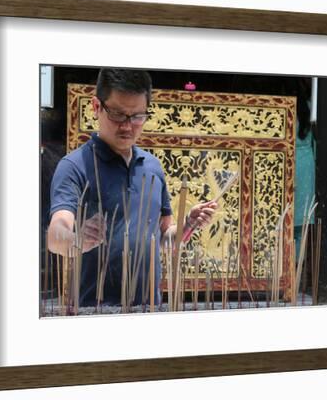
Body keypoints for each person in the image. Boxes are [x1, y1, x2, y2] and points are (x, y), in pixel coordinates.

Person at [47, 68, 217, 307]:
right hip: (94, 310)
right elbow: (56, 235)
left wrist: (188, 223)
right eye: (117, 114)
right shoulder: (75, 166)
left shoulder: (152, 167)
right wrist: (76, 239)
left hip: (149, 307)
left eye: (137, 116)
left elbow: (164, 239)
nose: (127, 126)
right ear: (96, 107)